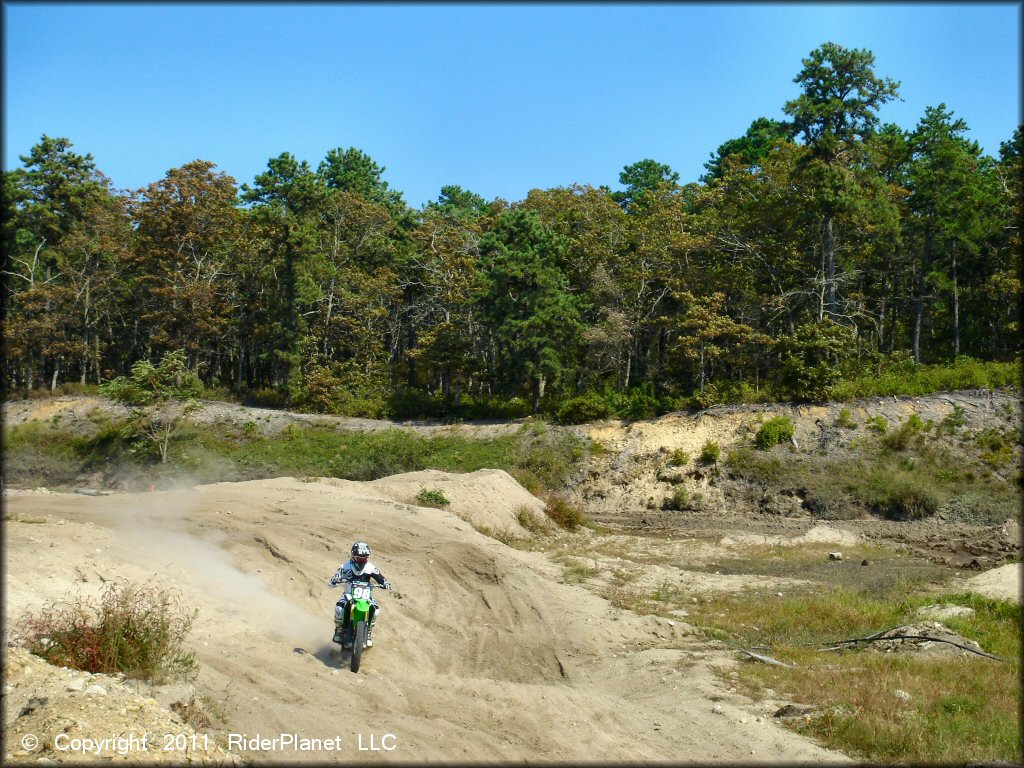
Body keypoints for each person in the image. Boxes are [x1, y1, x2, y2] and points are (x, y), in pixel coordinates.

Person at [330, 541, 391, 648]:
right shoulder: (345, 566)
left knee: (376, 610)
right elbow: (335, 577)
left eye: (365, 558)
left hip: (366, 596)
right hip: (349, 594)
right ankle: (339, 631)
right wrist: (335, 580)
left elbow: (380, 578)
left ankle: (368, 633)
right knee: (339, 608)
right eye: (360, 558)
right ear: (353, 556)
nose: (362, 560)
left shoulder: (371, 567)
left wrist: (385, 583)